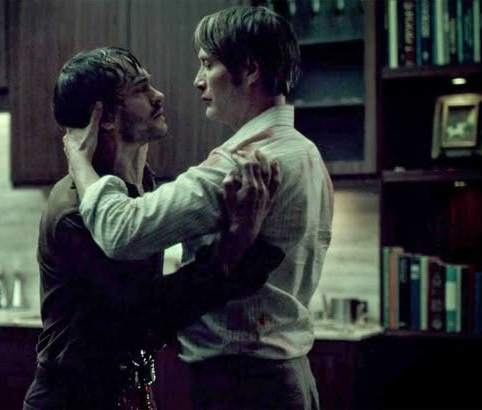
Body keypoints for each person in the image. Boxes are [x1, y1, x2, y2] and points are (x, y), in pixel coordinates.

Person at [64, 6, 333, 410]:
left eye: (208, 64)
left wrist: (79, 162)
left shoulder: (242, 164)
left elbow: (119, 231)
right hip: (286, 376)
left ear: (250, 69)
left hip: (242, 383)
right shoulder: (307, 152)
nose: (198, 79)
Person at [23, 47, 284, 410]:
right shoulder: (75, 211)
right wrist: (233, 249)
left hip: (127, 391)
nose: (158, 95)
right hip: (73, 399)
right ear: (106, 117)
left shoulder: (143, 187)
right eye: (140, 88)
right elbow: (145, 318)